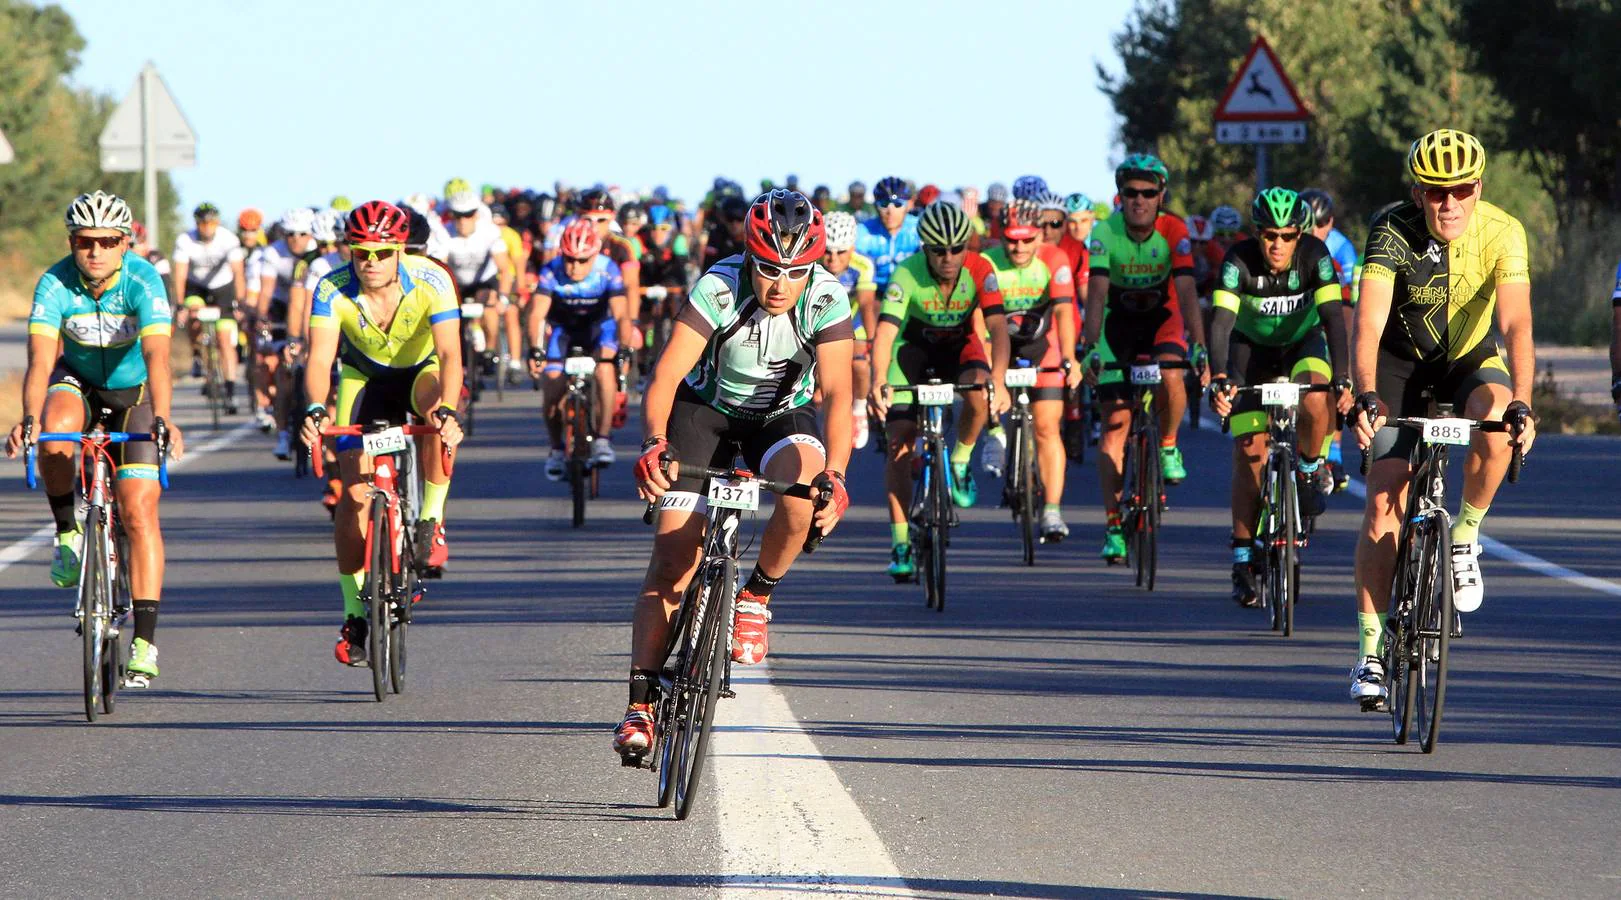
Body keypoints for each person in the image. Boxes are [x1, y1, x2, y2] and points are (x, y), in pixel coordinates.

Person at [614, 190, 853, 759]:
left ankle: (755, 597)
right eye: (769, 269)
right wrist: (654, 444)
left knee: (803, 489)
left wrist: (837, 476)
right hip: (705, 412)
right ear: (749, 257)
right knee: (673, 560)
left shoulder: (827, 296)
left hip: (779, 415)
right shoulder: (719, 286)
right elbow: (668, 374)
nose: (780, 285)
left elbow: (842, 394)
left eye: (795, 272)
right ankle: (640, 703)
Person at [1348, 129, 1537, 706]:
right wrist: (1366, 395)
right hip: (1399, 367)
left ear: (1479, 188)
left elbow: (1516, 326)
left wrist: (1525, 402)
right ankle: (1371, 652)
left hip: (1468, 361)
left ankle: (1465, 536)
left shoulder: (1504, 231)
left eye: (1461, 189)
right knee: (1384, 502)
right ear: (1417, 192)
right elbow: (1368, 325)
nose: (1449, 202)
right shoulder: (1391, 229)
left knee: (1501, 418)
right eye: (1435, 192)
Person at [6, 191, 184, 688]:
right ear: (72, 242)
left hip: (136, 391)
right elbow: (41, 359)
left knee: (138, 511)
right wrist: (27, 415)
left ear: (125, 243)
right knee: (55, 434)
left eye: (108, 241)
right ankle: (67, 533)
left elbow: (157, 357)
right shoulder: (55, 281)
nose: (96, 251)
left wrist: (164, 418)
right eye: (86, 242)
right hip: (77, 381)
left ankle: (145, 642)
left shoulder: (143, 280)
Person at [299, 201, 465, 666]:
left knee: (435, 413)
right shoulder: (331, 288)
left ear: (399, 251)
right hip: (362, 379)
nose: (371, 263)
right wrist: (315, 407)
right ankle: (354, 611)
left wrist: (450, 409)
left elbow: (450, 355)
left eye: (382, 253)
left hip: (419, 373)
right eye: (361, 253)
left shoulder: (432, 279)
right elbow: (319, 360)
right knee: (352, 497)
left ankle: (431, 518)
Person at [1207, 188, 1352, 606]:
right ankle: (1241, 557)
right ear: (1257, 233)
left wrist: (1342, 378)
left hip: (1302, 344)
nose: (1277, 245)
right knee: (1249, 452)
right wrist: (1219, 376)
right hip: (1249, 351)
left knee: (1315, 397)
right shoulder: (1238, 261)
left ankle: (1307, 470)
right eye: (1269, 235)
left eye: (1287, 236)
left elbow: (1333, 322)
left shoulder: (1315, 257)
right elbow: (1220, 323)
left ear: (1300, 234)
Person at [870, 201, 1010, 578]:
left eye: (956, 249)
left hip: (960, 347)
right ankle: (900, 542)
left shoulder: (982, 269)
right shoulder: (906, 273)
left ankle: (961, 461)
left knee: (981, 396)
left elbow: (998, 329)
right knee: (899, 441)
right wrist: (878, 379)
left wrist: (998, 377)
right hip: (912, 351)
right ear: (924, 248)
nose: (948, 258)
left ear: (967, 246)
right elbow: (885, 333)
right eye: (938, 250)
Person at [1080, 154, 1207, 563]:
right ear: (1120, 197)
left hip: (1161, 321)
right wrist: (1090, 348)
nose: (1139, 200)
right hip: (1117, 327)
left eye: (1148, 193)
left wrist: (1200, 346)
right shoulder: (1104, 231)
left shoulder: (1174, 229)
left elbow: (1187, 293)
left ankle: (1168, 444)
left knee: (1172, 377)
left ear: (1160, 196)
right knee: (1114, 429)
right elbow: (1096, 295)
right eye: (1131, 193)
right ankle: (1114, 524)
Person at [982, 204, 1082, 540]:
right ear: (1001, 236)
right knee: (983, 377)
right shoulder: (990, 262)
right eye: (1012, 241)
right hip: (999, 342)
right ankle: (995, 430)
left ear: (1039, 235)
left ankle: (1052, 510)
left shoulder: (1054, 260)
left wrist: (1069, 358)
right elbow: (980, 325)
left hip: (1042, 344)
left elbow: (1066, 313)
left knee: (1047, 427)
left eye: (1027, 240)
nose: (1020, 248)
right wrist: (991, 374)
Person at [528, 219, 629, 475]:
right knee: (551, 389)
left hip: (598, 329)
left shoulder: (609, 269)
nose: (574, 267)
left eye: (582, 261)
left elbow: (621, 315)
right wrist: (534, 349)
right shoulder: (551, 270)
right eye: (569, 259)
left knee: (605, 371)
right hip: (564, 331)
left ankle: (603, 439)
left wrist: (624, 349)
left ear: (595, 254)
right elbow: (536, 314)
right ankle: (556, 449)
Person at [1300, 188, 1362, 489]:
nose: (1314, 230)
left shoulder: (1342, 249)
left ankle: (1333, 452)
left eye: (1321, 223)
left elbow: (1347, 305)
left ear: (1331, 222)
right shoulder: (1291, 243)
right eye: (1308, 222)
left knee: (1337, 375)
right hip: (1298, 318)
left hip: (1332, 311)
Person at [254, 209, 319, 456]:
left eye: (301, 234)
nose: (295, 239)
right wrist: (262, 317)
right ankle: (282, 434)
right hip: (281, 308)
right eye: (290, 234)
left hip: (313, 308)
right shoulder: (273, 252)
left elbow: (305, 302)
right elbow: (266, 291)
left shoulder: (317, 254)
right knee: (285, 374)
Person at [171, 202, 246, 414]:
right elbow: (180, 274)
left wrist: (240, 302)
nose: (206, 228)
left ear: (217, 223)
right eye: (202, 223)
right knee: (194, 317)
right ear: (196, 224)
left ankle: (230, 391)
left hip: (223, 288)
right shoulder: (185, 240)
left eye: (211, 223)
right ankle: (198, 355)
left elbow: (238, 273)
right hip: (197, 287)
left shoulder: (229, 239)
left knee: (224, 340)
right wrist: (179, 304)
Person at [821, 211, 878, 449]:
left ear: (852, 248)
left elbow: (866, 305)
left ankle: (859, 407)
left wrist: (873, 343)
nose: (833, 259)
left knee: (860, 363)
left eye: (840, 252)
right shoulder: (811, 263)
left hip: (850, 320)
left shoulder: (863, 265)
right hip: (818, 320)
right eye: (827, 251)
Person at [855, 176, 921, 296]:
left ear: (908, 205)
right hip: (875, 294)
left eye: (898, 204)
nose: (890, 211)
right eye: (884, 204)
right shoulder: (863, 231)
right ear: (875, 206)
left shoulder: (919, 228)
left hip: (911, 292)